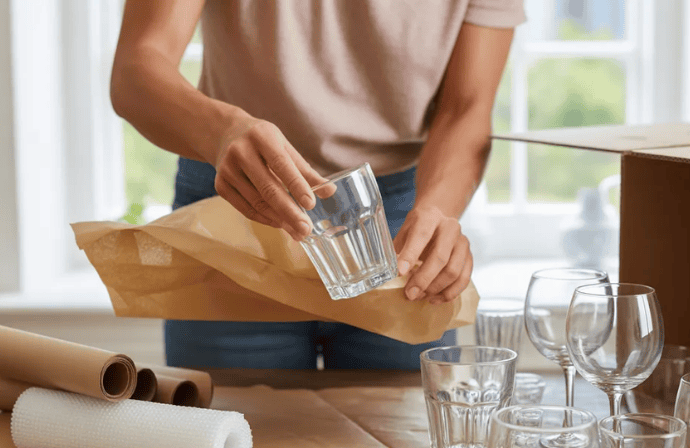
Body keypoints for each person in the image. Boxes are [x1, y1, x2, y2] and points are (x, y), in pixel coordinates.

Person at [111, 0, 522, 370]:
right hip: (236, 198)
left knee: (402, 441)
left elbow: (466, 106)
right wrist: (220, 132)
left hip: (396, 217)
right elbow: (137, 68)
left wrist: (439, 210)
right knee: (226, 435)